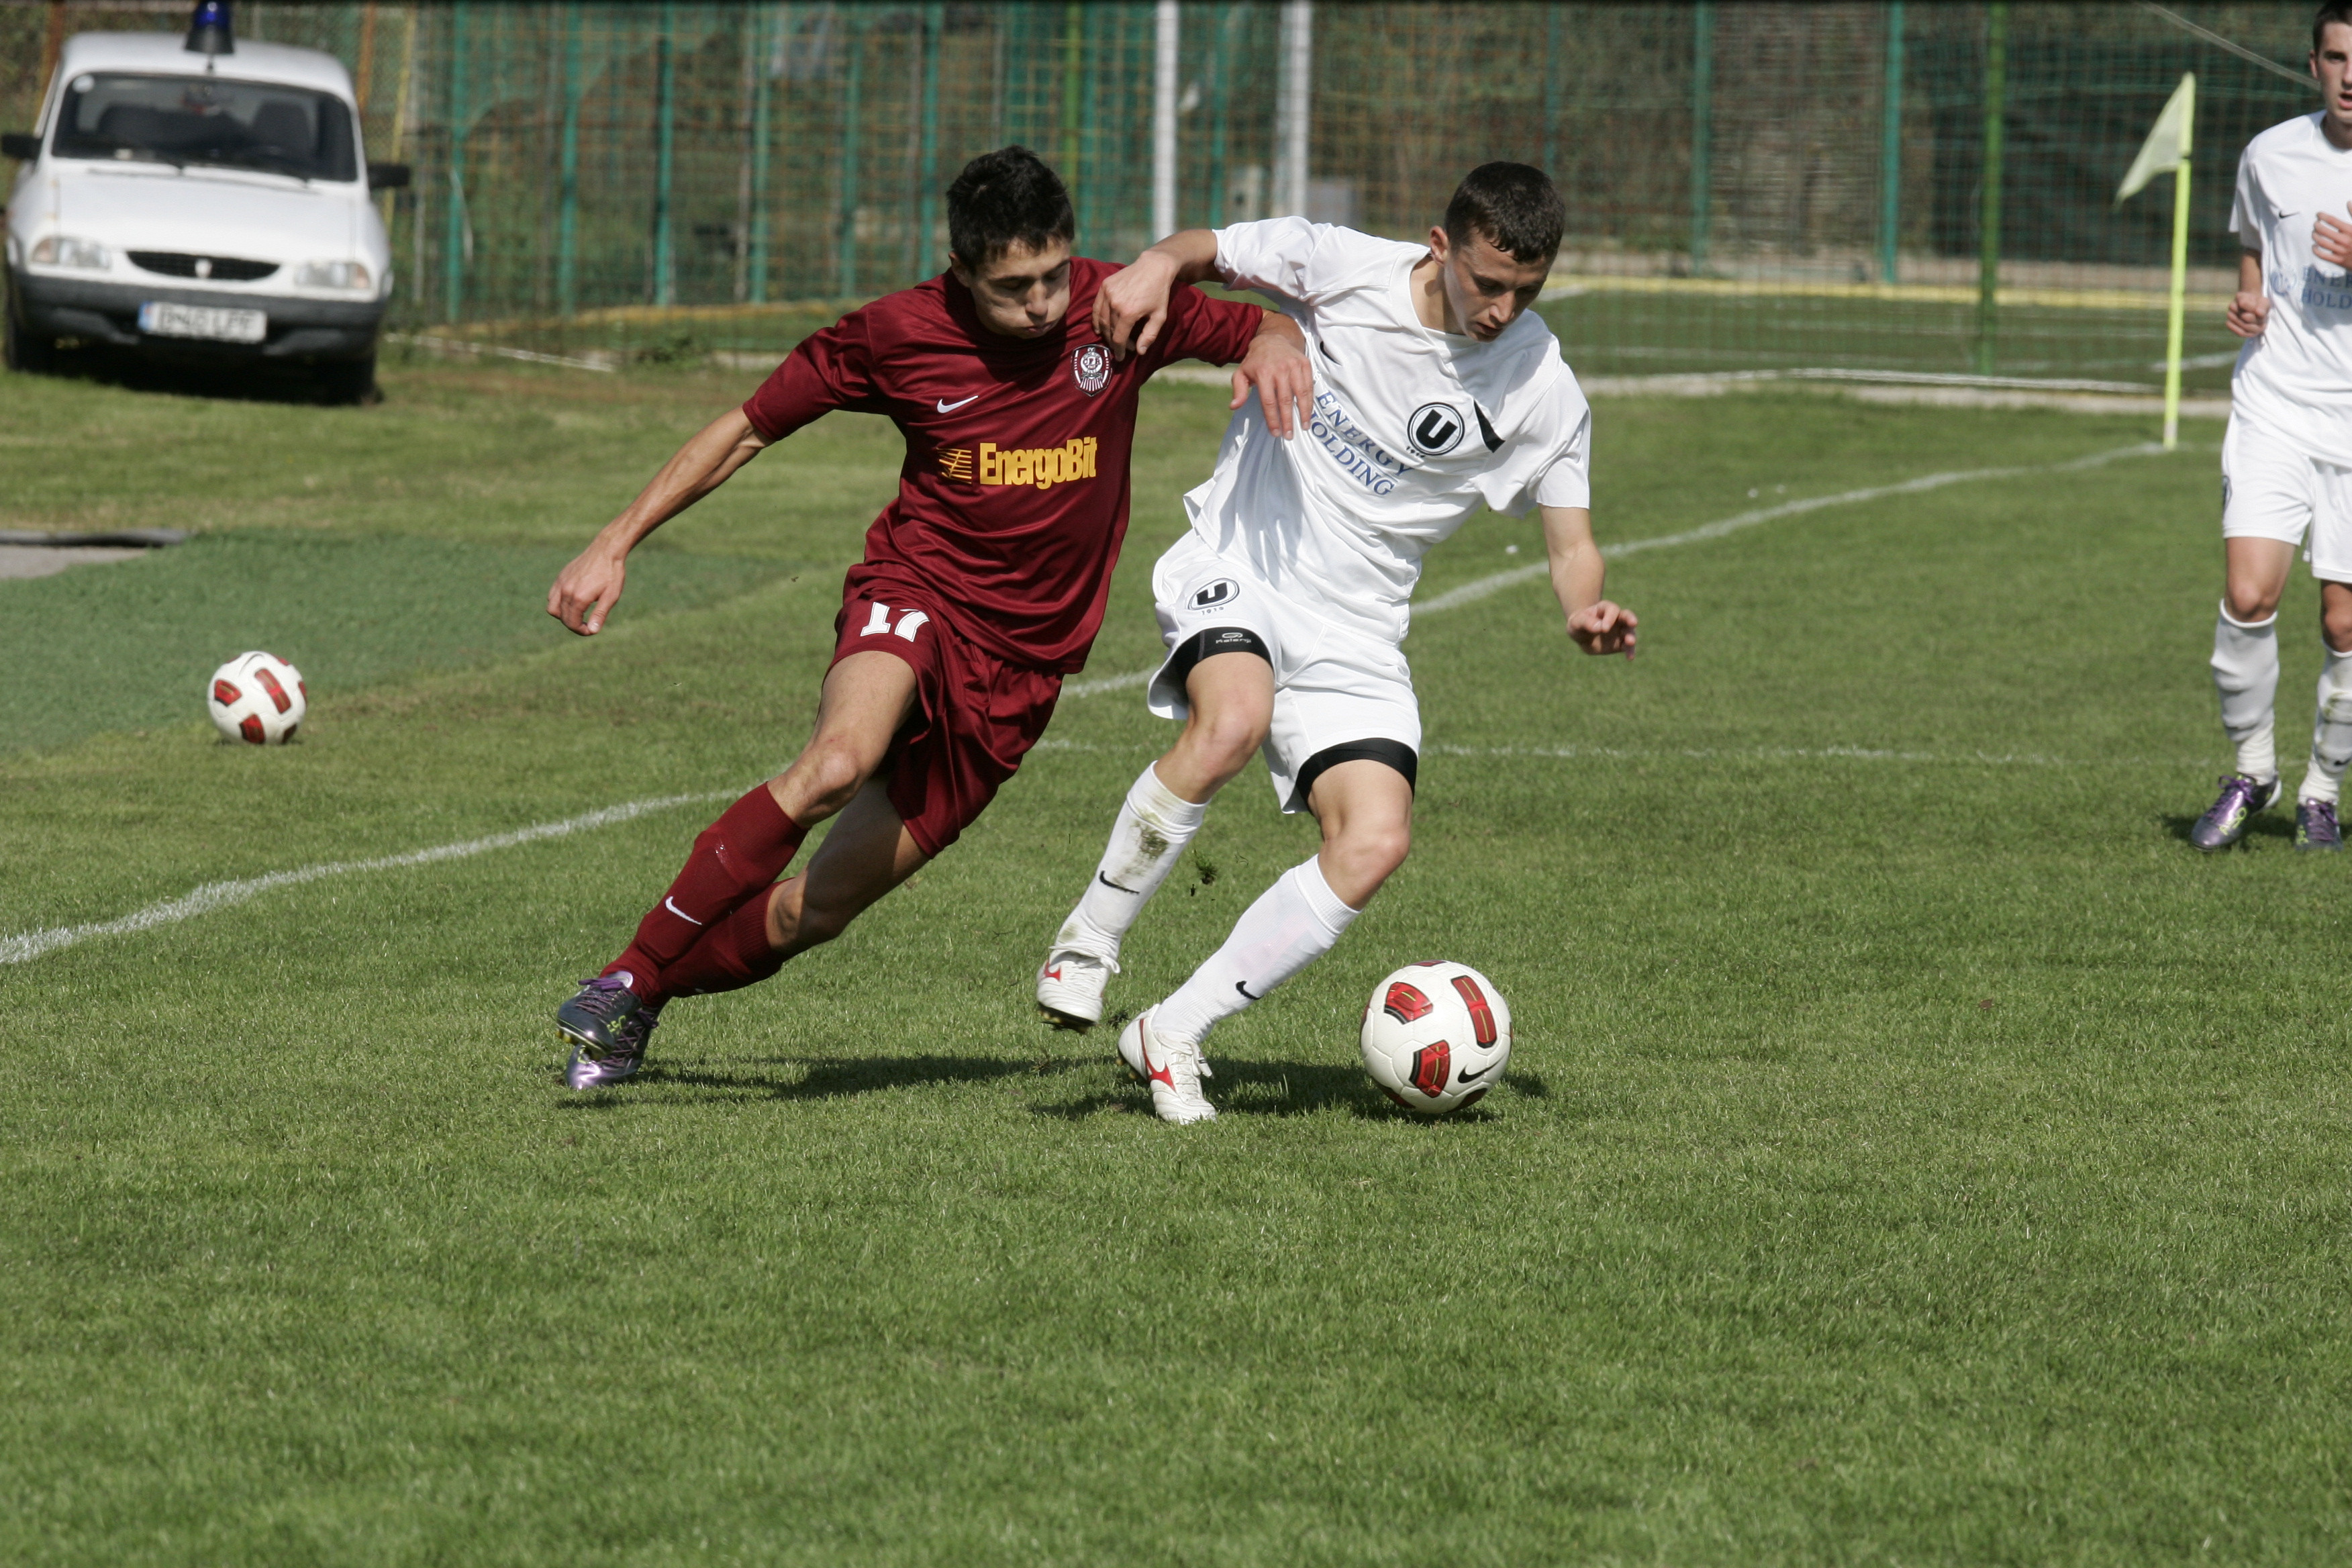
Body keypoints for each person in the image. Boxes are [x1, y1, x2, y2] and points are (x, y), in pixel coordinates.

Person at [546, 146, 1312, 1088]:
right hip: (919, 592)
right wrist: (615, 541)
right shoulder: (896, 334)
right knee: (837, 763)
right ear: (961, 273)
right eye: (1011, 287)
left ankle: (639, 1007)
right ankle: (625, 967)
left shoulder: (1119, 307)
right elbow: (749, 427)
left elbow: (1259, 327)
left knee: (816, 913)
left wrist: (1272, 337)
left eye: (1051, 277)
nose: (1039, 304)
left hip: (1023, 673)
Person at [1031, 162, 1636, 1124]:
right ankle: (1089, 943)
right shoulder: (1346, 267)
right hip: (1244, 562)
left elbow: (1573, 543)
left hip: (1359, 629)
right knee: (1233, 719)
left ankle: (1171, 1032)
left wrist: (1584, 609)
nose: (1503, 308)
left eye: (1528, 290)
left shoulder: (1541, 383)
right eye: (1488, 282)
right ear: (1442, 248)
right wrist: (1154, 265)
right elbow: (1211, 251)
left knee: (1374, 840)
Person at [2194, 2, 2352, 853]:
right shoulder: (2271, 154)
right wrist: (2253, 294)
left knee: (2344, 625)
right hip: (2276, 404)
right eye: (2337, 58)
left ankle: (2323, 792)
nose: (2351, 76)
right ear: (2315, 64)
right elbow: (2255, 243)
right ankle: (2254, 771)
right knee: (2249, 595)